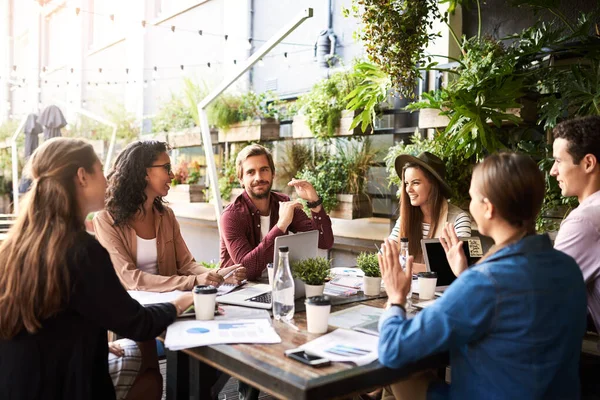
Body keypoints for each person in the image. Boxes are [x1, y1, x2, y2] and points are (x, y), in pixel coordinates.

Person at [377, 152, 587, 400]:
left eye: (472, 197)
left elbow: (394, 348)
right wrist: (464, 273)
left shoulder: (485, 282)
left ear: (487, 208)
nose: (469, 205)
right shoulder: (568, 267)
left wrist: (396, 297)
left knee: (404, 373)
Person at [0, 138, 193, 400]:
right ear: (82, 177)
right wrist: (181, 302)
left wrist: (94, 342)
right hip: (66, 386)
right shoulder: (81, 251)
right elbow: (138, 323)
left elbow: (56, 315)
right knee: (148, 370)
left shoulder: (14, 247)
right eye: (101, 170)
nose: (108, 179)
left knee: (135, 354)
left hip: (17, 384)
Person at [94, 140, 246, 291]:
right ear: (143, 172)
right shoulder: (105, 219)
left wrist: (219, 275)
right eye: (166, 168)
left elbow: (187, 264)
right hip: (128, 310)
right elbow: (130, 279)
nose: (172, 175)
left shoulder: (166, 215)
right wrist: (193, 282)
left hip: (170, 306)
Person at [220, 144, 334, 281]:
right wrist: (281, 225)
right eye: (250, 172)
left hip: (277, 285)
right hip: (239, 292)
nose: (258, 178)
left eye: (264, 170)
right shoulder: (231, 216)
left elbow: (324, 241)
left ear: (273, 173)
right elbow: (247, 269)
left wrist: (315, 203)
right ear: (241, 180)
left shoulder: (283, 203)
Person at [550, 116, 600, 332]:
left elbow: (545, 294)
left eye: (559, 161)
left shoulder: (585, 221)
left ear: (588, 163)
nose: (553, 171)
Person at [389, 152, 471, 272]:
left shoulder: (459, 219)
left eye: (416, 183)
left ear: (434, 184)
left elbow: (462, 267)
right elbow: (386, 254)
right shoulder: (405, 218)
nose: (408, 189)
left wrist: (410, 266)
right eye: (407, 183)